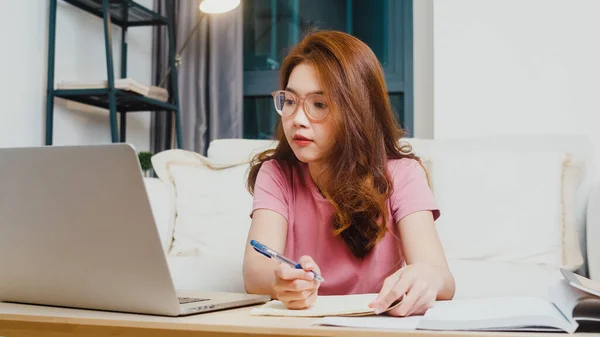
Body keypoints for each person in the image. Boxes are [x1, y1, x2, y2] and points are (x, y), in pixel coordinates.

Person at [242, 30, 455, 317]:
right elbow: (255, 272)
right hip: (300, 329)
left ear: (357, 110)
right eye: (290, 101)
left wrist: (428, 278)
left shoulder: (403, 174)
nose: (298, 120)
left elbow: (442, 278)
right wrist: (282, 280)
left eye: (319, 104)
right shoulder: (278, 173)